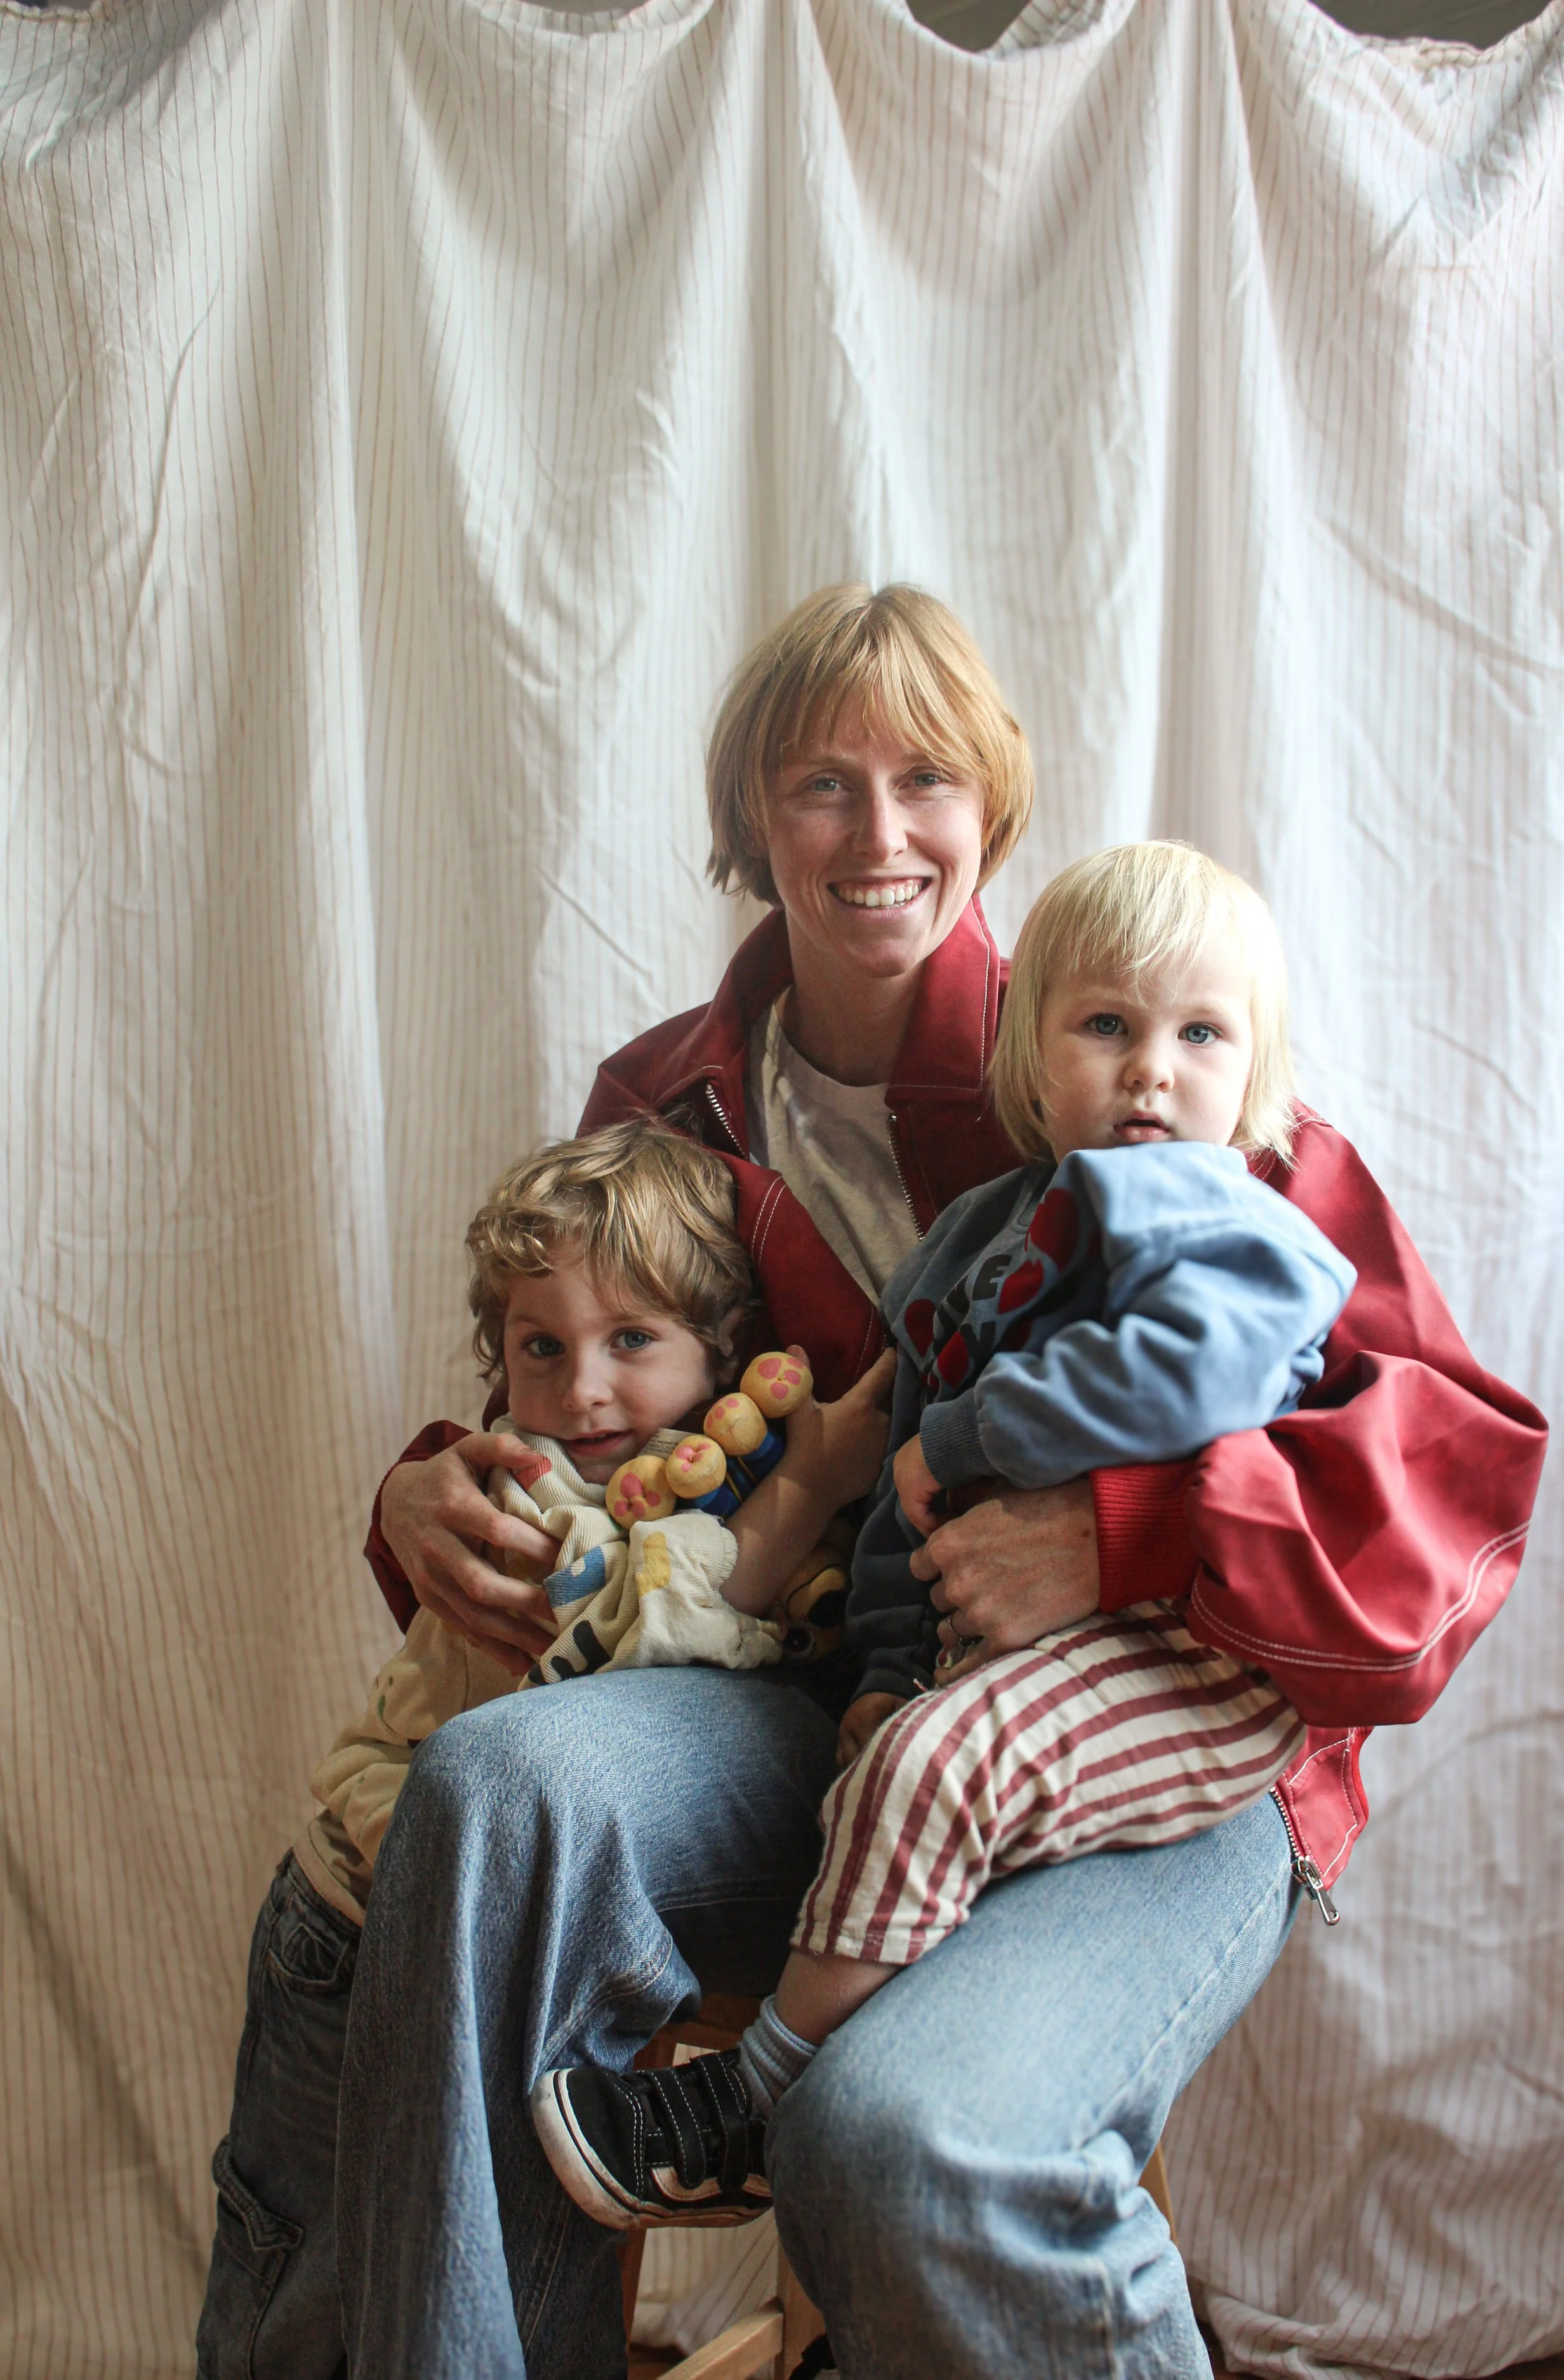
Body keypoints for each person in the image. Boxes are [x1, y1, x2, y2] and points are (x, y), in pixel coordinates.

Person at [340, 585, 1546, 2379]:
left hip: (1158, 1728)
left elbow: (1441, 1486)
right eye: (819, 781)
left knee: (896, 2133)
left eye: (925, 776)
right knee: (494, 1783)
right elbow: (590, 1390)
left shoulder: (1149, 1057)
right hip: (818, 1701)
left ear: (992, 808)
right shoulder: (665, 1101)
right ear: (749, 819)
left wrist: (1122, 1529)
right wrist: (428, 1495)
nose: (877, 829)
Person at [528, 842, 1359, 2228]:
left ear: (1252, 1079)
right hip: (1003, 1656)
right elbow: (906, 1510)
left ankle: (753, 2097)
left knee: (933, 1764)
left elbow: (1187, 1380)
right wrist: (876, 1668)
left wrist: (972, 1436)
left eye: (1198, 1034)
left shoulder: (1227, 1218)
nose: (1151, 1070)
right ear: (1031, 1062)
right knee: (878, 1773)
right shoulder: (967, 1247)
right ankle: (860, 2295)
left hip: (1191, 1662)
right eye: (1106, 1026)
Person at [196, 1120, 893, 2380]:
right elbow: (631, 1636)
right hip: (346, 1930)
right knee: (299, 2276)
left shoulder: (695, 1484)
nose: (580, 1389)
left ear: (721, 1355)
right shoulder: (535, 1502)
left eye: (631, 1342)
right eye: (539, 1348)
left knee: (464, 2237)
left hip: (489, 1924)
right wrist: (805, 1489)